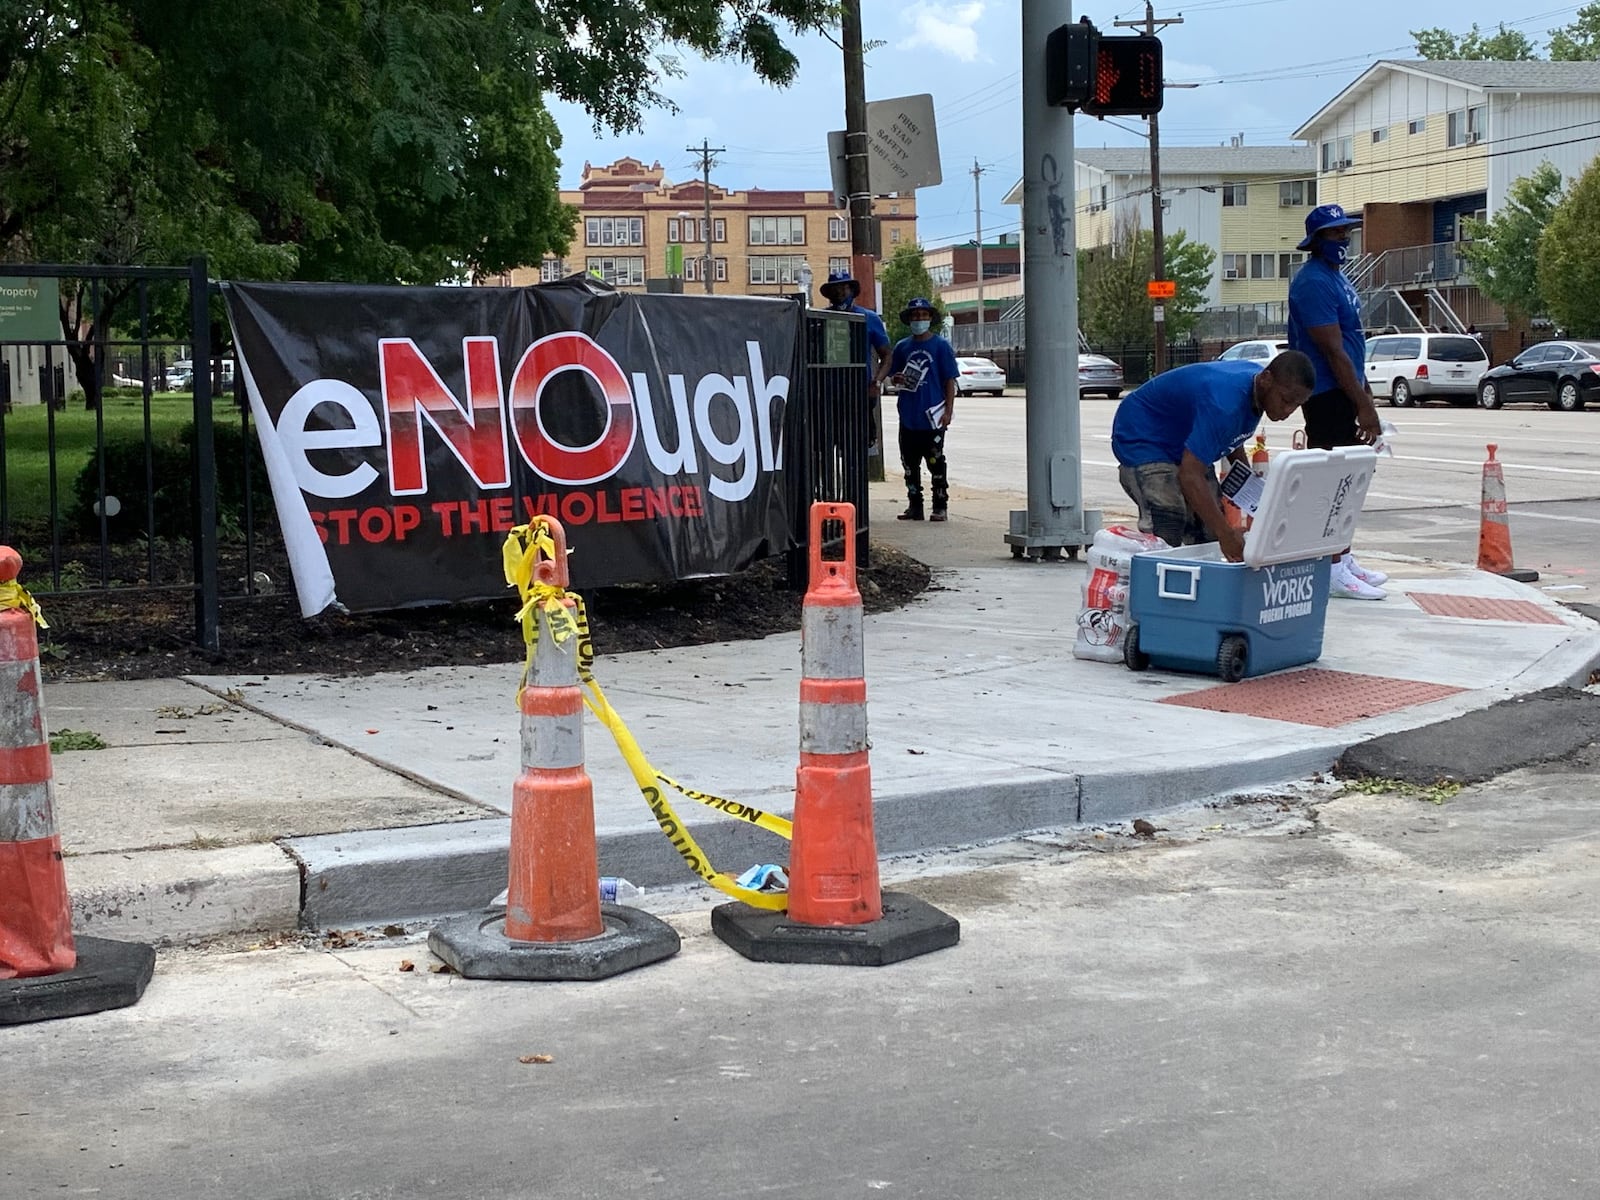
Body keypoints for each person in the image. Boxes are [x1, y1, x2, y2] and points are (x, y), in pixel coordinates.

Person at [1110, 352, 1317, 562]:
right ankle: (1154, 585)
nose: (1288, 410)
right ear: (1266, 379)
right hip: (1142, 433)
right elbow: (1190, 476)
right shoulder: (1224, 404)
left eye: (1297, 405)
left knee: (1209, 526)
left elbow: (1232, 436)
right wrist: (1226, 534)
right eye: (1286, 400)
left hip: (1184, 440)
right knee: (1168, 518)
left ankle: (1201, 586)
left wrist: (1253, 493)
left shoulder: (1255, 388)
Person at [1287, 203, 1389, 600]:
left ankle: (1342, 557)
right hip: (1328, 392)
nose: (1343, 239)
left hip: (1345, 389)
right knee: (1333, 482)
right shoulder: (1312, 282)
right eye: (1334, 234)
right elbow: (1332, 350)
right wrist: (1363, 405)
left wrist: (1364, 394)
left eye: (1345, 232)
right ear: (1316, 241)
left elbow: (1352, 343)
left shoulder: (1337, 277)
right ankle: (1328, 567)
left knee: (1350, 481)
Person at [879, 297, 958, 522]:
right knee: (909, 464)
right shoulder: (903, 346)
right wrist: (897, 378)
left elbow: (949, 380)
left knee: (935, 462)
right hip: (908, 415)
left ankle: (940, 505)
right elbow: (893, 374)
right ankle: (915, 505)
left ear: (930, 318)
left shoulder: (941, 346)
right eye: (914, 316)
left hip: (932, 416)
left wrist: (948, 411)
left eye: (923, 315)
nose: (919, 319)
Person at [818, 268, 891, 392]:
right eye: (834, 289)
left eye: (843, 287)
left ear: (851, 290)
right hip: (827, 391)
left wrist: (877, 382)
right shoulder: (819, 318)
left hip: (860, 390)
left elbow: (887, 355)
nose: (839, 292)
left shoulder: (869, 318)